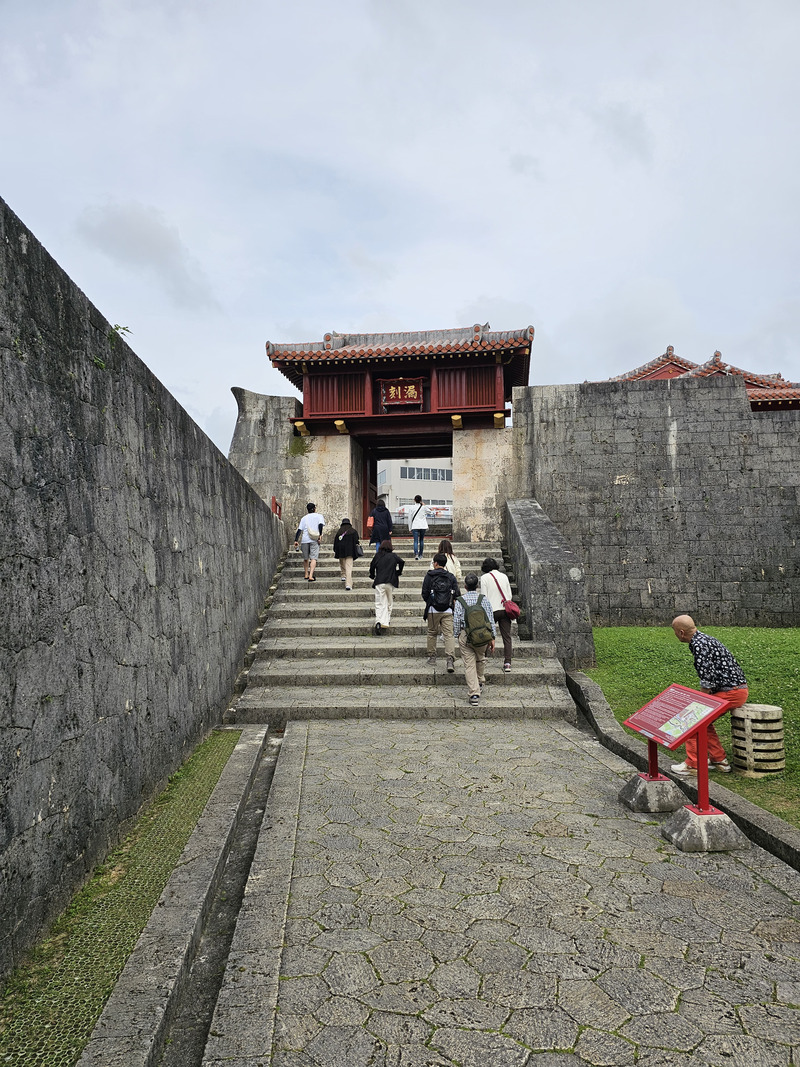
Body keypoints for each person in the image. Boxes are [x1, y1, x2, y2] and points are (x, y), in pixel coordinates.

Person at [670, 614, 748, 777]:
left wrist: (700, 702)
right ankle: (719, 759)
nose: (675, 635)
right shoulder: (704, 639)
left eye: (675, 631)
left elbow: (707, 678)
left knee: (692, 719)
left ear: (682, 632)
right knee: (705, 723)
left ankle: (693, 764)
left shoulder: (699, 645)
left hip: (731, 691)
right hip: (735, 689)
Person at [454, 573, 496, 705]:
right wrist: (492, 637)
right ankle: (480, 681)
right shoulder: (483, 599)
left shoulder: (460, 601)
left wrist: (457, 635)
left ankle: (474, 694)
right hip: (482, 635)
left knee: (469, 665)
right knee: (481, 658)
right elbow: (490, 619)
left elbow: (456, 621)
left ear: (465, 586)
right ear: (477, 586)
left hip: (466, 635)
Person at [422, 553, 461, 671]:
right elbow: (457, 594)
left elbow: (424, 593)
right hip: (448, 609)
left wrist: (430, 601)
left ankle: (432, 657)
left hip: (433, 610)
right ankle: (450, 659)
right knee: (449, 634)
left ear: (435, 563)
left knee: (432, 633)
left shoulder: (429, 576)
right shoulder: (450, 576)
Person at [480, 557, 513, 672]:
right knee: (507, 637)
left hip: (491, 610)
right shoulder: (504, 576)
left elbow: (484, 597)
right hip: (505, 609)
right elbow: (509, 594)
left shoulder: (484, 578)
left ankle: (483, 657)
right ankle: (507, 662)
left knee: (485, 635)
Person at [369, 539, 404, 635]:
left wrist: (372, 575)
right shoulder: (393, 556)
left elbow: (372, 566)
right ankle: (387, 619)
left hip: (379, 581)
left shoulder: (378, 555)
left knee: (379, 602)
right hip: (390, 581)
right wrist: (398, 572)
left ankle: (379, 621)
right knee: (389, 601)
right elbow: (402, 562)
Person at [294, 502, 325, 582]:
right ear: (314, 509)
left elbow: (299, 530)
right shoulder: (319, 516)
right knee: (313, 558)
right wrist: (320, 535)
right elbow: (320, 525)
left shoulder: (304, 518)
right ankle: (311, 575)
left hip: (305, 540)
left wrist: (296, 540)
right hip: (314, 539)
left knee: (305, 558)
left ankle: (306, 574)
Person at [332, 518, 360, 590]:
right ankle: (348, 584)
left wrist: (335, 550)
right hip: (350, 551)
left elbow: (335, 542)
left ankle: (343, 575)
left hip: (341, 551)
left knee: (342, 564)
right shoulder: (353, 531)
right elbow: (357, 540)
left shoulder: (339, 531)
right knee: (349, 567)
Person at [403, 495, 434, 559]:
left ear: (414, 500)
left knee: (415, 541)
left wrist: (410, 528)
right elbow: (430, 511)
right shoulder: (423, 507)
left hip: (415, 525)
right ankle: (421, 554)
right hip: (423, 525)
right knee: (421, 540)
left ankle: (416, 554)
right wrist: (424, 505)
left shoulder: (411, 508)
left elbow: (409, 519)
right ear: (421, 500)